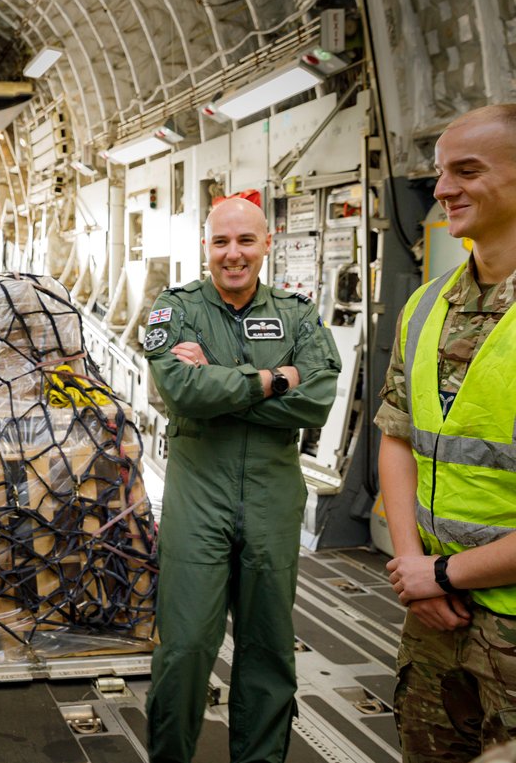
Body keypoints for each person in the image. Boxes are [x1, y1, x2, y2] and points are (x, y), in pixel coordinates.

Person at [141, 196, 342, 763]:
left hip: (272, 501)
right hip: (197, 500)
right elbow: (181, 391)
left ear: (267, 243)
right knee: (183, 649)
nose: (234, 255)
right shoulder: (175, 307)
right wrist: (278, 378)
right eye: (221, 242)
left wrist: (221, 386)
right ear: (206, 246)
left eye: (245, 241)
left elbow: (317, 403)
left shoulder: (299, 314)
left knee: (269, 650)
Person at [377, 104, 516, 761]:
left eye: (467, 170)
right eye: (439, 173)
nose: (441, 189)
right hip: (435, 620)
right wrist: (413, 568)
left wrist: (441, 571)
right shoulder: (426, 304)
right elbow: (398, 434)